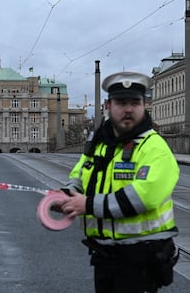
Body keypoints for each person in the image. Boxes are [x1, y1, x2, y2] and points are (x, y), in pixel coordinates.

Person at [57, 71, 180, 293]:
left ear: (143, 106)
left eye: (135, 102)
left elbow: (145, 196)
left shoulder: (153, 147)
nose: (129, 109)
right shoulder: (99, 143)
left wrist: (87, 205)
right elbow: (80, 176)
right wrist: (66, 194)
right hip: (104, 255)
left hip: (142, 257)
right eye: (121, 102)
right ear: (108, 105)